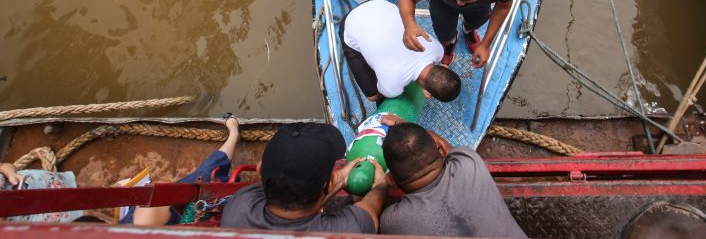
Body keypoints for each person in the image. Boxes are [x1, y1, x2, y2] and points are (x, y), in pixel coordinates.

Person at [220, 122, 386, 233]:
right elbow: (371, 207)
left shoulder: (240, 204)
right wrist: (381, 187)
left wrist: (338, 180)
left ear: (260, 169)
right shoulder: (349, 229)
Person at [380, 122, 526, 238]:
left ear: (391, 180)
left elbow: (374, 202)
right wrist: (403, 125)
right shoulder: (468, 162)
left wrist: (378, 187)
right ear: (441, 150)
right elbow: (445, 145)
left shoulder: (393, 221)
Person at [121, 113, 241, 226]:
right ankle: (234, 134)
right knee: (205, 173)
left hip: (139, 225)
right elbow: (162, 191)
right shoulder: (146, 220)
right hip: (171, 223)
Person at [340, 0, 461, 103]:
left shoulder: (438, 50)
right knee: (373, 96)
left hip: (380, 5)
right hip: (350, 23)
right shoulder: (391, 88)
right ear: (427, 91)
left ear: (444, 68)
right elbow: (382, 92)